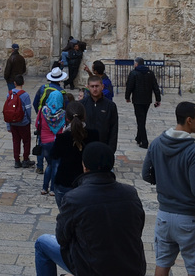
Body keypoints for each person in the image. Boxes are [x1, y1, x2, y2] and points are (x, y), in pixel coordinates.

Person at [33, 142, 146, 276]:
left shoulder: (74, 198)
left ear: (85, 167)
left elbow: (62, 238)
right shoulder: (130, 193)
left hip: (92, 269)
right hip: (132, 268)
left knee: (42, 243)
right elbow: (138, 227)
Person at [142, 100, 195, 276]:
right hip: (189, 220)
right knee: (194, 269)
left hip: (164, 216)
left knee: (162, 264)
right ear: (189, 120)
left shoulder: (156, 143)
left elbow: (146, 174)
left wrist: (164, 181)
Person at [51, 100, 88, 208]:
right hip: (85, 182)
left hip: (65, 182)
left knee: (65, 217)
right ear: (84, 116)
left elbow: (54, 155)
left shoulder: (62, 138)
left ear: (67, 118)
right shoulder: (93, 135)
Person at [125, 56, 161, 148]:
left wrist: (127, 97)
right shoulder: (150, 73)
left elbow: (129, 86)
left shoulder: (134, 73)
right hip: (147, 100)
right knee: (142, 119)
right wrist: (158, 99)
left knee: (140, 121)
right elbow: (155, 86)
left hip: (137, 100)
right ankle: (138, 137)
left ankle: (144, 142)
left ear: (136, 64)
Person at [37, 88, 66, 196]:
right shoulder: (62, 114)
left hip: (45, 141)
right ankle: (53, 189)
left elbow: (37, 125)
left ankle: (44, 188)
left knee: (49, 164)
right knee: (56, 165)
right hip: (57, 141)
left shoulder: (42, 111)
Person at [81, 73, 118, 152]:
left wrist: (111, 149)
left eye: (97, 86)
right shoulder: (82, 104)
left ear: (102, 87)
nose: (95, 89)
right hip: (86, 147)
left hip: (103, 146)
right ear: (88, 87)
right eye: (92, 86)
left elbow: (113, 128)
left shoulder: (110, 106)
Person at [5, 73, 33, 168]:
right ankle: (25, 159)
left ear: (14, 83)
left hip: (13, 122)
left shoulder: (9, 94)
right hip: (23, 122)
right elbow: (28, 109)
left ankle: (17, 160)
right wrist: (29, 120)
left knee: (16, 141)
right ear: (23, 83)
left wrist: (8, 125)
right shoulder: (25, 95)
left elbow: (7, 110)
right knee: (26, 141)